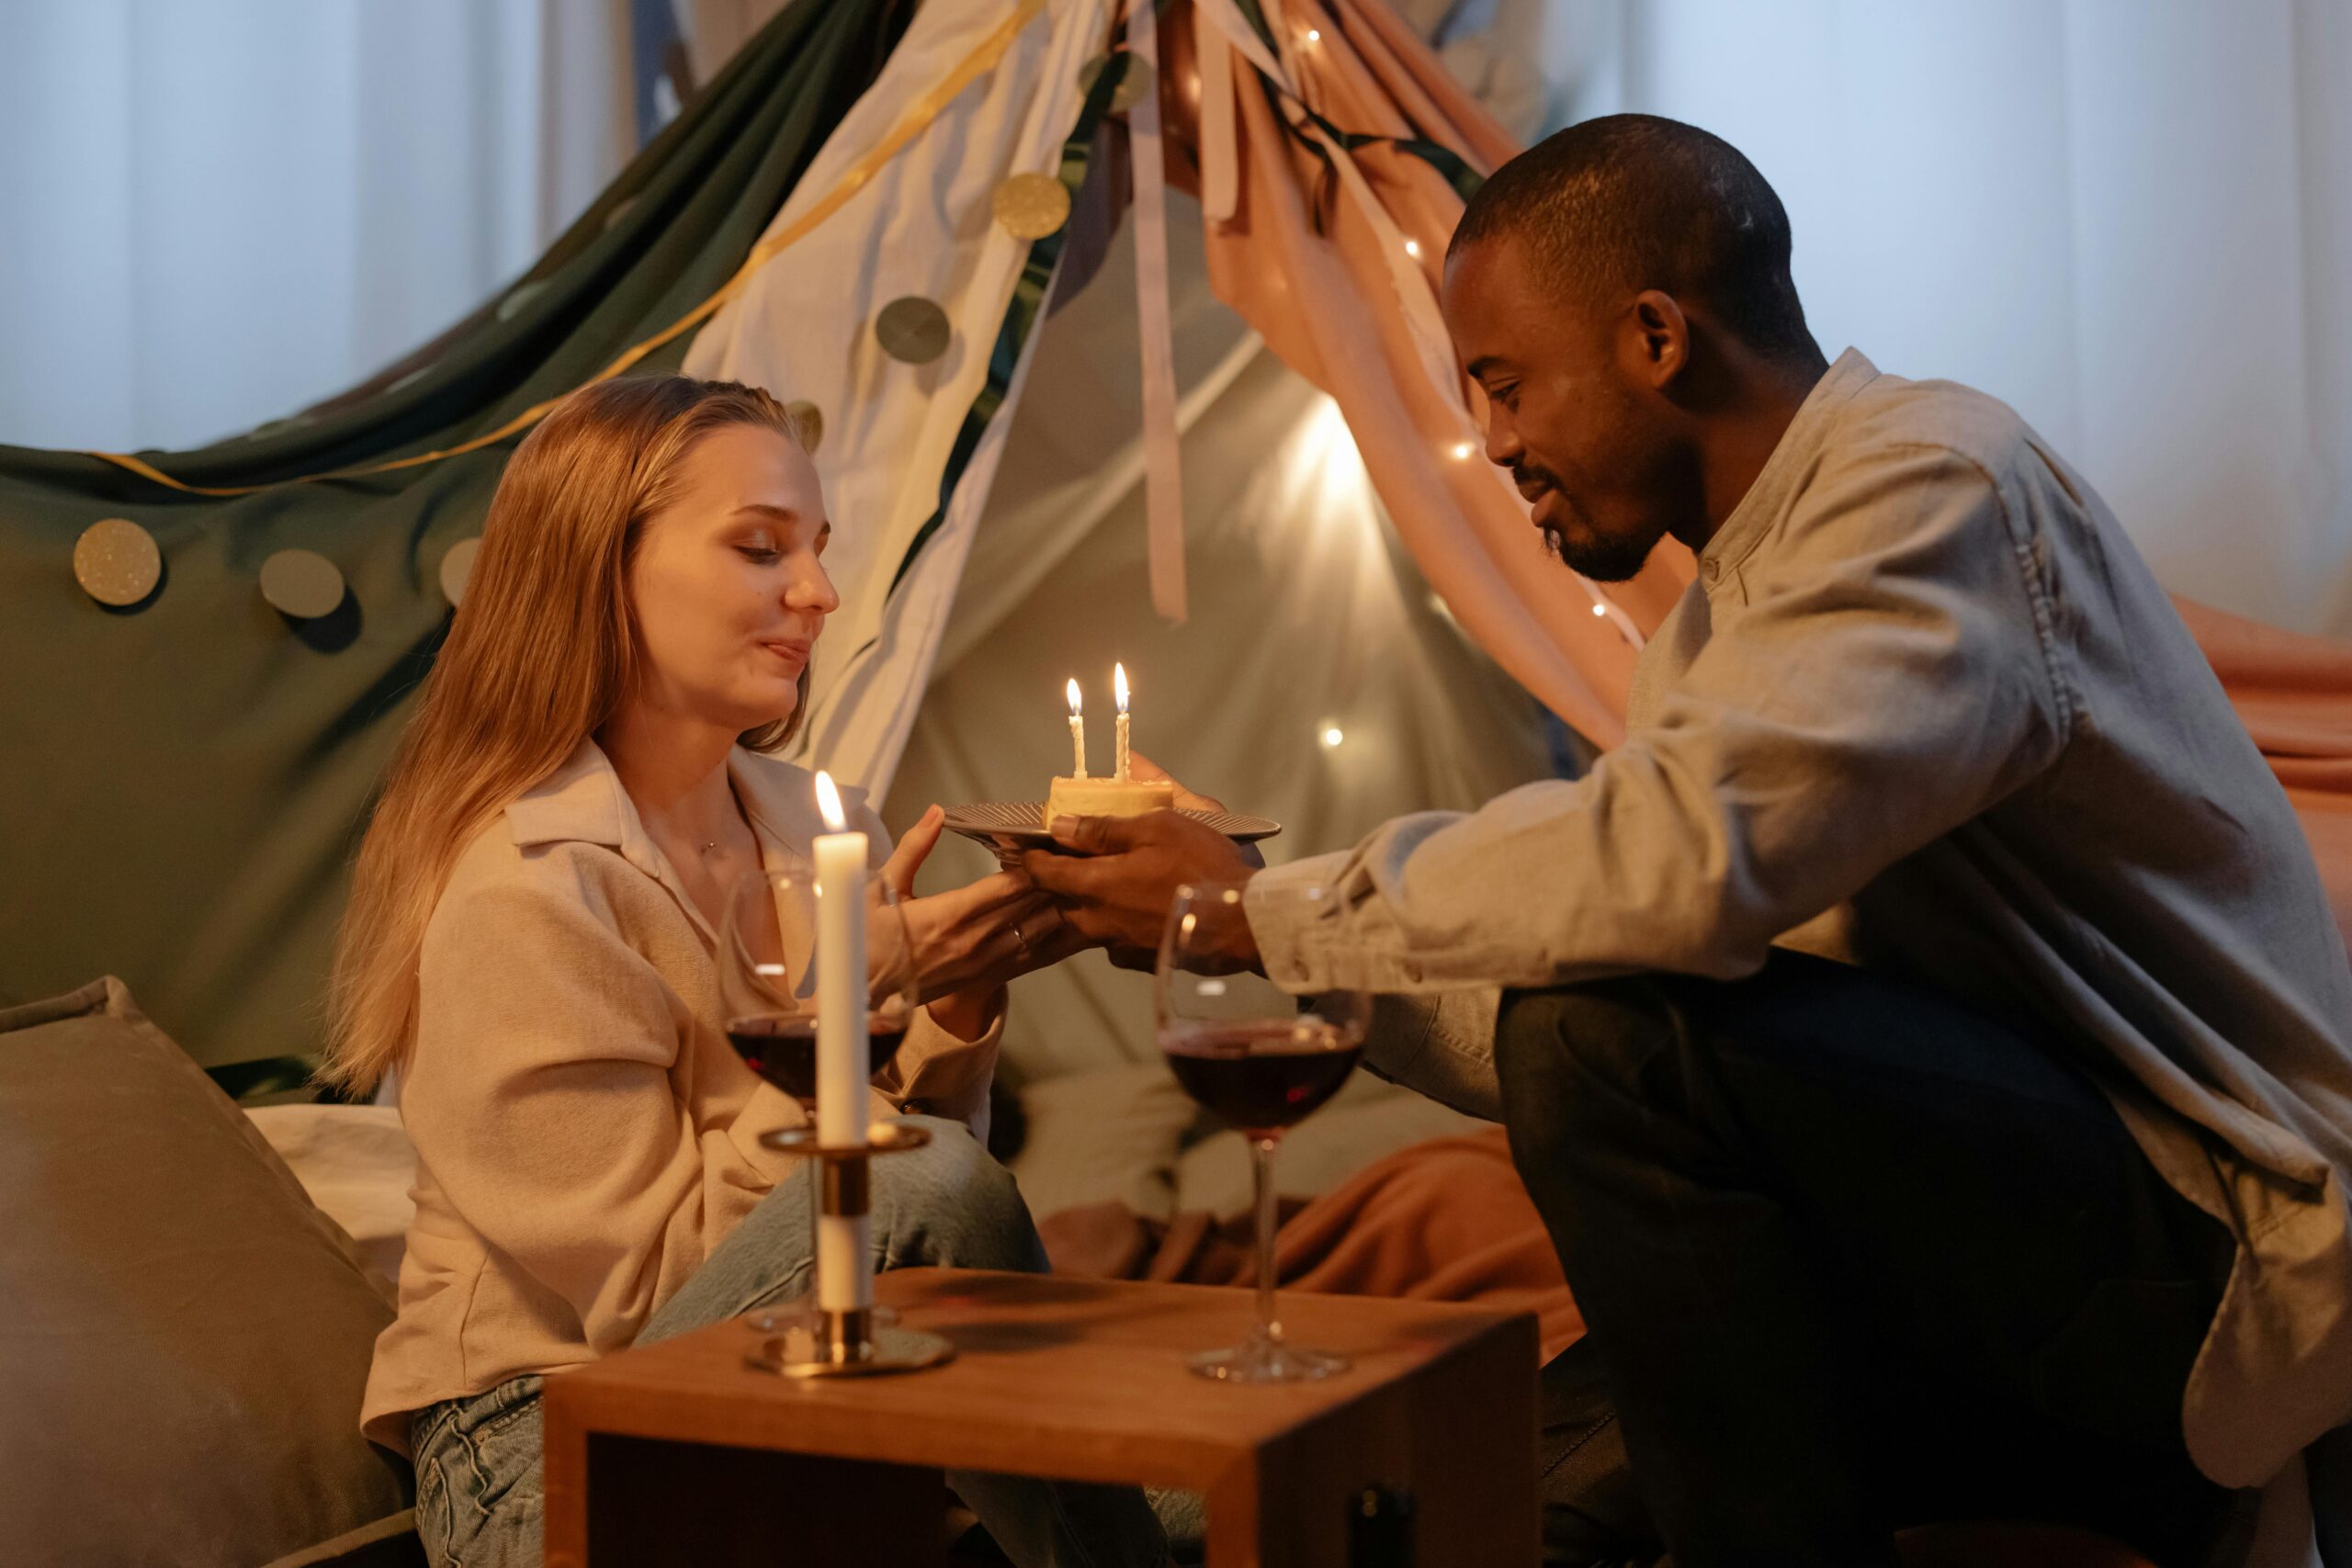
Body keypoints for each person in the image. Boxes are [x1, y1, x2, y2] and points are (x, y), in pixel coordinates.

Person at [1023, 115, 2352, 1566]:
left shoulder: (1928, 486)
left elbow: (1667, 882)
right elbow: (1604, 969)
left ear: (1658, 335)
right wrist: (1252, 937)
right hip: (2020, 1250)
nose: (1497, 446)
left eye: (1506, 384)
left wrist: (1264, 909)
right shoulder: (1725, 624)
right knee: (1479, 1494)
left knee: (1600, 1037)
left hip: (2217, 1252)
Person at [322, 375, 1165, 1568]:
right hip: (552, 1442)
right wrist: (852, 999)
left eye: (817, 551)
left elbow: (907, 1206)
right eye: (763, 548)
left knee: (1293, 1489)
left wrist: (964, 989)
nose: (819, 594)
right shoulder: (523, 886)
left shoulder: (818, 827)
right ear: (601, 566)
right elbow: (660, 1295)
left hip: (819, 1395)